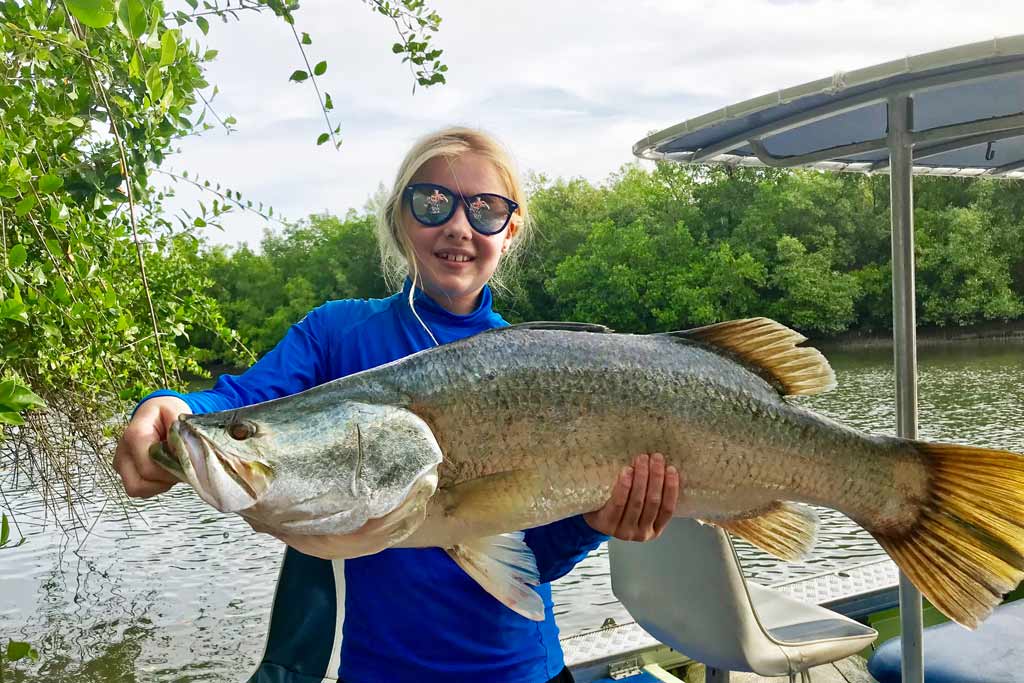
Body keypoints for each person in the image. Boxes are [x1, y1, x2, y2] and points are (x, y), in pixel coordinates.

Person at [114, 127, 681, 683]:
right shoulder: (337, 334)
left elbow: (536, 557)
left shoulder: (537, 366)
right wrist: (170, 405)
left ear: (509, 231)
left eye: (485, 210)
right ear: (399, 218)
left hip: (522, 670)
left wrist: (595, 524)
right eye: (433, 202)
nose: (458, 226)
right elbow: (244, 404)